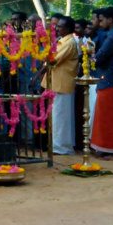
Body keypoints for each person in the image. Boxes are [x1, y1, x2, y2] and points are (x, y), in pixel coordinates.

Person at [90, 7, 113, 158]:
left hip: (109, 79)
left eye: (102, 19)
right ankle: (106, 146)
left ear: (110, 20)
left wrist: (89, 55)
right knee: (106, 115)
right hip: (109, 78)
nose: (99, 21)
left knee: (109, 116)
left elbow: (99, 57)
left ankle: (112, 148)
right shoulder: (112, 35)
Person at [41, 16, 79, 155]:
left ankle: (61, 147)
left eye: (60, 26)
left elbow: (52, 60)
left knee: (60, 116)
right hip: (58, 83)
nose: (57, 28)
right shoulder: (63, 41)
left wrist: (45, 55)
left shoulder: (68, 43)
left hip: (62, 84)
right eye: (57, 26)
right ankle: (62, 145)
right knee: (59, 115)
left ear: (68, 29)